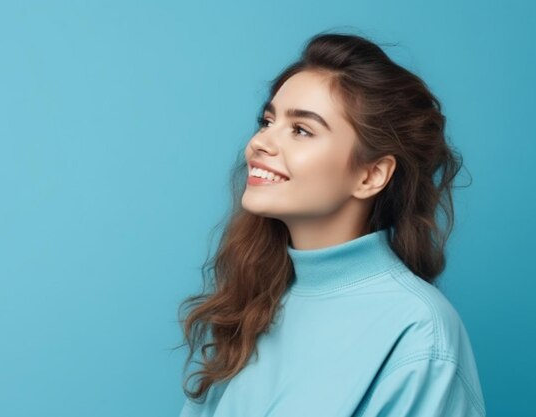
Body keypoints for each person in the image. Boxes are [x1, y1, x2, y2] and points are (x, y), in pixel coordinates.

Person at [175, 31, 486, 417]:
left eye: (301, 130)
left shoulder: (420, 333)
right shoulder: (252, 300)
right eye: (267, 121)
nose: (261, 142)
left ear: (371, 175)